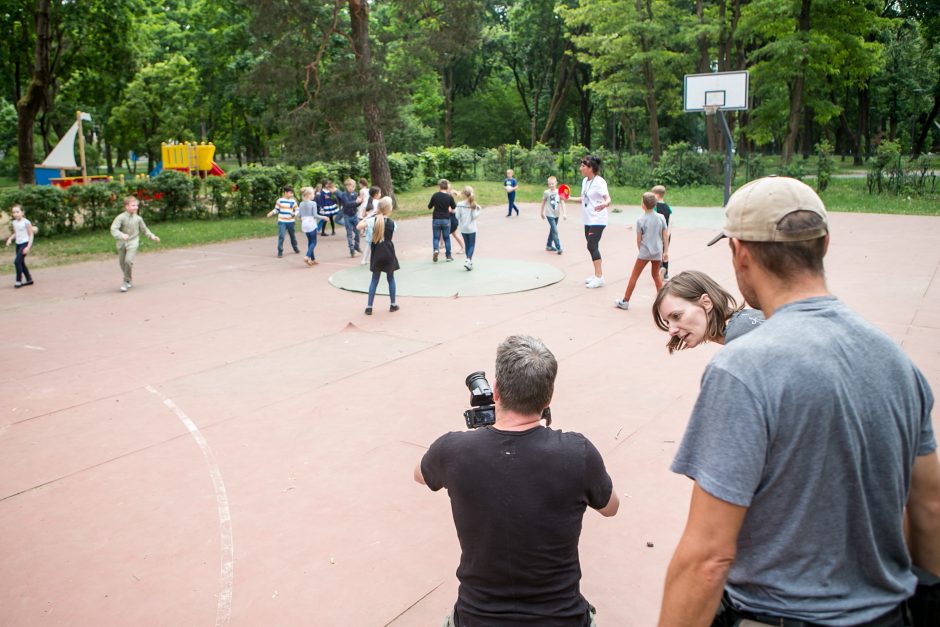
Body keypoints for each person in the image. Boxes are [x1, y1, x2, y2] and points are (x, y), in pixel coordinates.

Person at [659, 176, 940, 627]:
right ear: (824, 243)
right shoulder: (894, 359)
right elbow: (930, 507)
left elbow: (708, 556)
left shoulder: (742, 368)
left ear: (739, 253)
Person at [415, 334, 619, 626]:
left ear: (495, 390)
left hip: (476, 618)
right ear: (548, 397)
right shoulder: (577, 452)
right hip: (562, 620)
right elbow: (611, 507)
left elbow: (419, 474)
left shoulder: (452, 450)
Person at [652, 270, 764, 352]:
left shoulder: (740, 341)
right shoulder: (744, 323)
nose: (671, 331)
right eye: (667, 322)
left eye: (677, 316)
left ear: (706, 303)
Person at [614, 192, 668, 310]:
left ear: (643, 205)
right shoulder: (661, 217)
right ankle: (663, 302)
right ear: (655, 204)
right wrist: (666, 251)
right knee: (656, 276)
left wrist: (641, 251)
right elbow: (665, 235)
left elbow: (638, 240)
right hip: (657, 252)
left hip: (644, 252)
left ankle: (625, 301)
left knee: (635, 275)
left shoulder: (640, 220)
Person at [568, 156, 612, 289]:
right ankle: (597, 275)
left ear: (590, 168)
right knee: (592, 246)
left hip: (598, 219)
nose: (580, 168)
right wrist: (569, 198)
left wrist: (605, 204)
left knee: (591, 246)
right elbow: (584, 198)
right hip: (587, 219)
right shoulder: (584, 181)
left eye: (583, 166)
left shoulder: (600, 182)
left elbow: (608, 198)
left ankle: (599, 277)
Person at [110, 196, 161, 292]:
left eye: (136, 205)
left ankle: (126, 281)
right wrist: (121, 235)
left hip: (133, 242)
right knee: (122, 263)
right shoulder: (120, 217)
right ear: (127, 206)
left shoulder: (138, 219)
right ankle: (129, 278)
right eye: (133, 205)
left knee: (128, 261)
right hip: (122, 243)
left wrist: (153, 237)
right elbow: (113, 229)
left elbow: (145, 230)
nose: (136, 207)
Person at [363, 197, 399, 315]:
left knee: (374, 280)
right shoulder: (392, 223)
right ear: (389, 209)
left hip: (377, 253)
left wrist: (370, 216)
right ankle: (393, 304)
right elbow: (393, 230)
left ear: (378, 208)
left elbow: (359, 226)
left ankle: (369, 307)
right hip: (388, 252)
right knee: (391, 278)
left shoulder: (372, 221)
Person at [5, 204, 35, 288]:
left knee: (17, 262)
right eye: (14, 212)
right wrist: (10, 239)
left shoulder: (26, 222)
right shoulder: (14, 222)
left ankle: (18, 281)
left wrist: (28, 247)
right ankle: (29, 279)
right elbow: (15, 233)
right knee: (21, 262)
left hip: (25, 243)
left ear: (22, 212)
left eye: (17, 212)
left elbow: (31, 235)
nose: (15, 214)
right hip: (18, 244)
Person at [266, 185, 300, 258]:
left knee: (292, 236)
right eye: (291, 193)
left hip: (291, 222)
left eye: (292, 193)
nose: (292, 194)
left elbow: (297, 209)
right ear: (286, 193)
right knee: (281, 236)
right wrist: (271, 213)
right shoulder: (280, 200)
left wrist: (294, 214)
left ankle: (295, 247)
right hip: (282, 221)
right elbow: (277, 209)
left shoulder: (293, 201)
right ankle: (280, 251)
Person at [428, 178, 456, 262]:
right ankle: (448, 256)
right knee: (446, 238)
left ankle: (436, 249)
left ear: (439, 186)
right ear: (447, 187)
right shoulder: (449, 196)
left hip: (436, 219)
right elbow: (454, 207)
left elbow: (429, 206)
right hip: (446, 219)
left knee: (436, 237)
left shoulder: (435, 195)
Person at [454, 186, 482, 271]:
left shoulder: (459, 204)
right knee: (472, 245)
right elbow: (474, 216)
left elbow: (457, 216)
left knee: (467, 244)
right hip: (471, 228)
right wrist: (479, 210)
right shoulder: (473, 204)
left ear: (463, 194)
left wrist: (457, 210)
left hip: (463, 228)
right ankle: (468, 259)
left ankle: (468, 261)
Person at [540, 175, 567, 254]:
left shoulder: (559, 192)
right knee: (555, 230)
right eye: (549, 184)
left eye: (552, 183)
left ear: (556, 183)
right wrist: (541, 212)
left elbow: (562, 202)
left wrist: (564, 213)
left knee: (552, 230)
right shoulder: (546, 192)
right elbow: (543, 202)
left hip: (556, 214)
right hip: (549, 214)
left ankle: (548, 245)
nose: (551, 185)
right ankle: (559, 248)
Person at [297, 186, 323, 266]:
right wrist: (323, 217)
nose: (314, 195)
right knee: (314, 242)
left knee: (310, 241)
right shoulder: (313, 203)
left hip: (304, 224)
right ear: (308, 195)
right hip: (311, 223)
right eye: (313, 194)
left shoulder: (301, 204)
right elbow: (315, 215)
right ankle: (307, 256)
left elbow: (299, 215)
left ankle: (313, 259)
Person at [652, 185, 672, 280]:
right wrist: (668, 232)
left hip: (658, 233)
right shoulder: (668, 207)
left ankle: (659, 269)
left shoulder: (655, 207)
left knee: (657, 252)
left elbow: (654, 220)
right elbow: (671, 221)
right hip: (667, 234)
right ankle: (666, 272)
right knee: (665, 251)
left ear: (657, 195)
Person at [359, 186, 382, 267]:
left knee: (369, 244)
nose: (380, 194)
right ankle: (377, 260)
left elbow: (363, 214)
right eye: (379, 193)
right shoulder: (378, 202)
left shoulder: (367, 202)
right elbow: (380, 213)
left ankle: (364, 260)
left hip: (369, 225)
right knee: (378, 242)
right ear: (375, 194)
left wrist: (369, 215)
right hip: (376, 224)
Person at [339, 179, 362, 257]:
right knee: (349, 234)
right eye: (349, 186)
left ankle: (357, 246)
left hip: (354, 215)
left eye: (353, 186)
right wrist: (356, 202)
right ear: (346, 186)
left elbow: (356, 205)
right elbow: (347, 204)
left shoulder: (355, 194)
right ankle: (351, 250)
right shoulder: (344, 194)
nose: (351, 188)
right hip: (347, 216)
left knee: (358, 231)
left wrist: (360, 201)